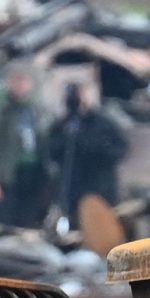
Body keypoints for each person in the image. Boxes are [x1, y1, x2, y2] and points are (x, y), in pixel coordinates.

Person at [49, 88, 128, 235]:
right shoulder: (62, 126)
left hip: (100, 185)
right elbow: (53, 151)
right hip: (73, 186)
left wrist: (93, 148)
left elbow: (119, 150)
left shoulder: (104, 124)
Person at [0, 67, 45, 227]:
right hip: (9, 173)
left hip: (32, 170)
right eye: (17, 81)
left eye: (25, 81)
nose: (21, 86)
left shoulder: (32, 107)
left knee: (30, 217)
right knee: (8, 218)